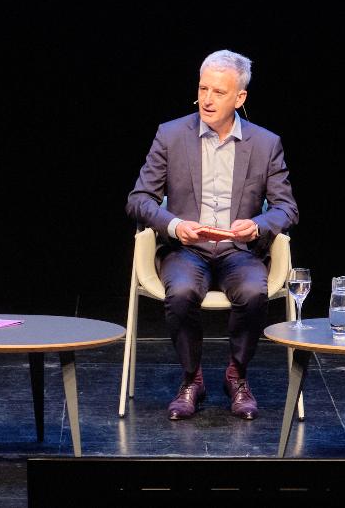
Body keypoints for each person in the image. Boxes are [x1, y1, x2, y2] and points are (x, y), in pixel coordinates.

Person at [127, 50, 298, 421]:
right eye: (203, 88)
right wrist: (175, 225)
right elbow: (139, 199)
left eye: (218, 92)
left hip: (239, 250)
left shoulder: (266, 144)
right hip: (187, 249)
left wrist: (257, 226)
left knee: (255, 292)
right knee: (183, 292)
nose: (207, 99)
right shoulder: (171, 135)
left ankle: (236, 375)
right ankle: (192, 378)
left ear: (240, 98)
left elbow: (287, 209)